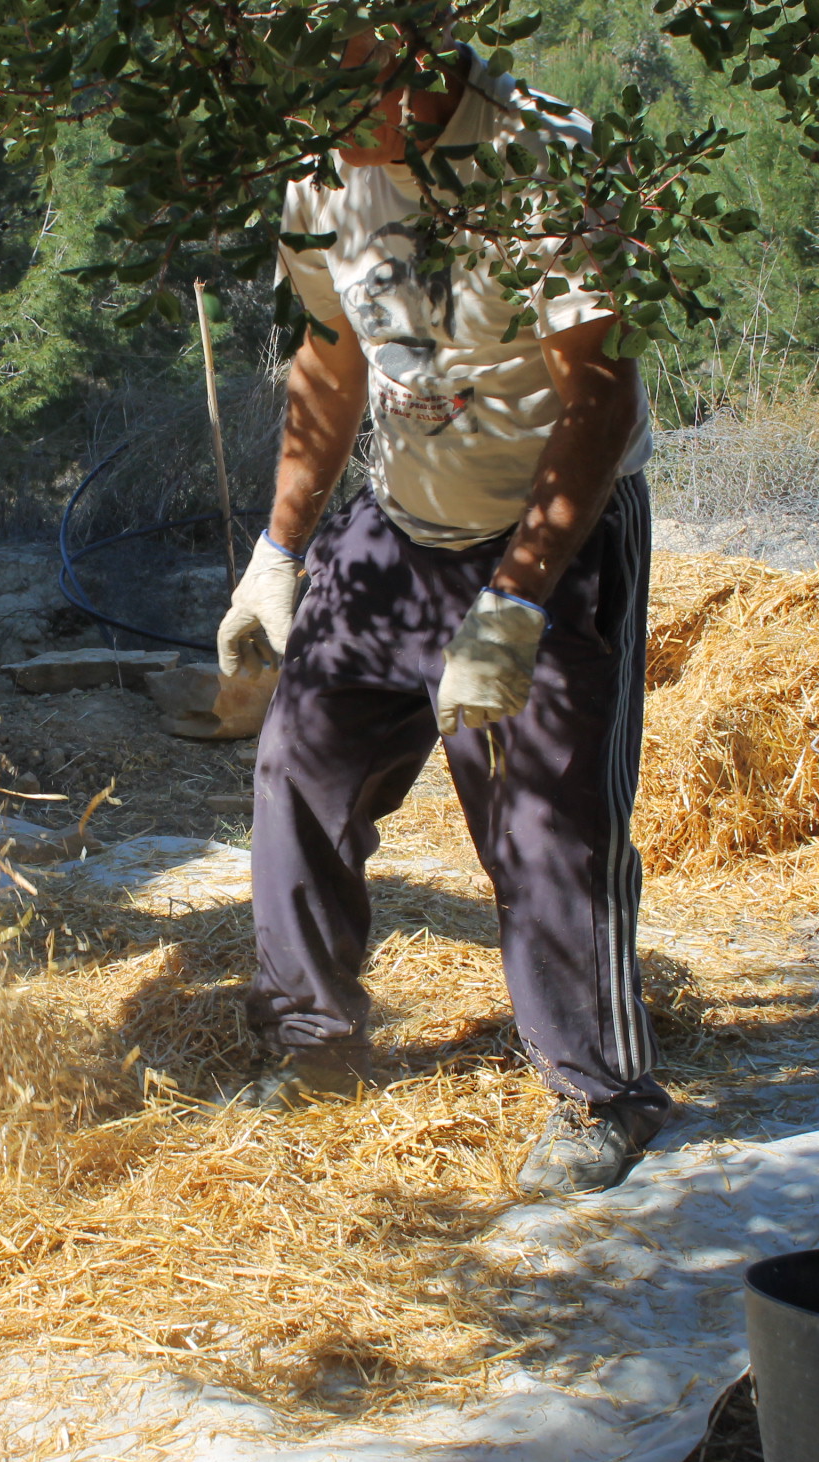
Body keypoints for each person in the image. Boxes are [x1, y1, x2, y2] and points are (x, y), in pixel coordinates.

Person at [217, 41, 667, 1193]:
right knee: (297, 770)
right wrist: (281, 546)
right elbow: (330, 357)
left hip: (554, 535)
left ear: (410, 53)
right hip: (401, 524)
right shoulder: (320, 170)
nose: (307, 107)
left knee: (540, 820)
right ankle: (315, 1043)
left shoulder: (538, 160)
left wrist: (516, 603)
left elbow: (600, 398)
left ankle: (598, 1094)